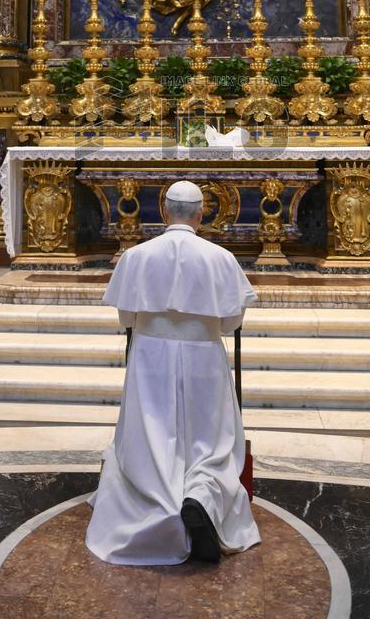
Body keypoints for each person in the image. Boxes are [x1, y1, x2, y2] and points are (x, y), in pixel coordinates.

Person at [85, 180, 260, 566]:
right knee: (209, 439)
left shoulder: (136, 256)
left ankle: (156, 501)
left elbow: (125, 316)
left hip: (150, 356)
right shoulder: (221, 258)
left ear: (164, 212)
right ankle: (202, 495)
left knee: (151, 433)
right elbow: (231, 321)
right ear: (201, 214)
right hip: (204, 356)